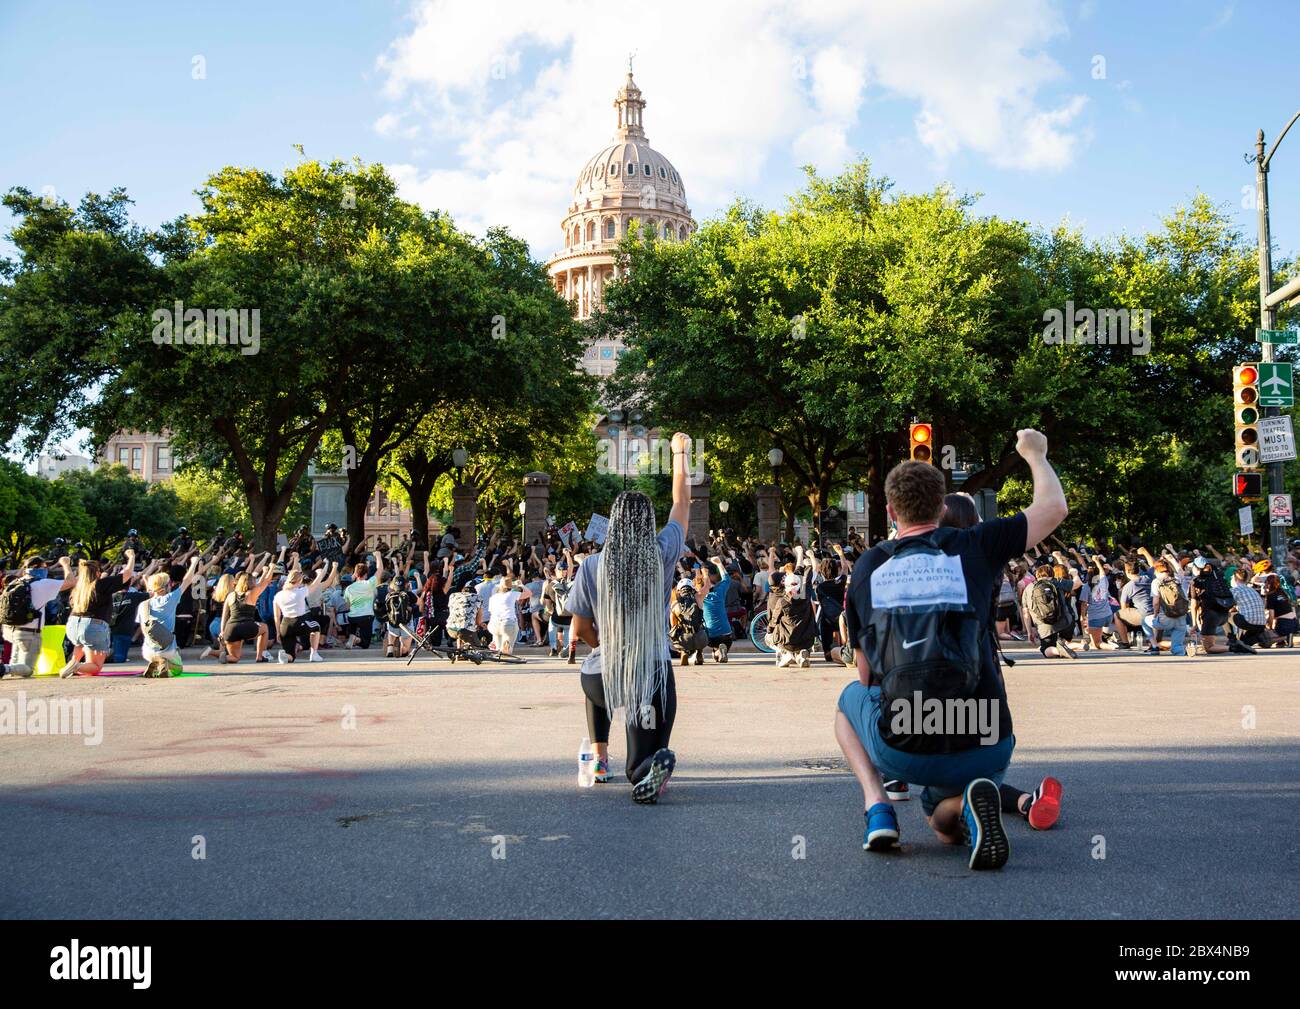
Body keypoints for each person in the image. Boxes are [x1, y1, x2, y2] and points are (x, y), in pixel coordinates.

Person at [837, 428, 1068, 870]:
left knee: (847, 703)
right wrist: (1034, 454)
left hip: (907, 742)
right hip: (987, 736)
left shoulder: (870, 565)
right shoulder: (977, 546)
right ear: (942, 508)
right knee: (941, 820)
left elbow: (866, 675)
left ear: (889, 511)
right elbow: (1054, 508)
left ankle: (878, 808)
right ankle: (964, 805)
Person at [567, 431, 690, 802]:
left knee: (593, 668)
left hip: (602, 678)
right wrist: (680, 452)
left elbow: (581, 627)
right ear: (648, 522)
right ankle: (645, 768)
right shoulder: (662, 552)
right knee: (642, 759)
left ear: (615, 523)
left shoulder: (591, 566)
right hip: (649, 674)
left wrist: (603, 644)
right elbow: (682, 502)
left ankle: (599, 758)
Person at [59, 552, 137, 677]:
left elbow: (70, 579)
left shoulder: (78, 587)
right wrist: (132, 557)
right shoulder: (100, 584)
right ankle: (76, 665)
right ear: (97, 573)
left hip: (73, 625)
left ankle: (73, 663)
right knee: (95, 667)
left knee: (79, 646)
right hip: (93, 625)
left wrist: (66, 565)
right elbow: (127, 574)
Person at [1, 555, 75, 678]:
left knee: (15, 668)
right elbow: (71, 582)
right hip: (29, 633)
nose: (47, 568)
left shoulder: (15, 581)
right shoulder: (42, 584)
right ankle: (3, 668)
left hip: (10, 630)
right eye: (45, 566)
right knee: (28, 669)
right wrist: (65, 564)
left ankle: (5, 669)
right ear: (37, 567)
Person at [138, 556, 203, 676]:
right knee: (178, 669)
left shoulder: (144, 605)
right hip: (167, 649)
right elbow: (187, 581)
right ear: (166, 586)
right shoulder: (170, 599)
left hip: (147, 651)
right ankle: (166, 665)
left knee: (155, 654)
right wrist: (194, 563)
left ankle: (156, 663)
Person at [768, 571, 816, 667]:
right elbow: (808, 578)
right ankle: (800, 657)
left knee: (769, 636)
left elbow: (774, 621)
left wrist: (769, 630)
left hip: (788, 641)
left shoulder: (782, 602)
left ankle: (787, 655)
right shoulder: (806, 596)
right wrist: (807, 559)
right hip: (806, 640)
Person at [486, 575, 531, 656]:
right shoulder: (512, 594)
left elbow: (491, 612)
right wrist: (521, 585)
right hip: (508, 622)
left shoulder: (493, 597)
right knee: (508, 642)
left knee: (498, 643)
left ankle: (498, 648)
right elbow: (529, 593)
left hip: (494, 624)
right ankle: (506, 647)